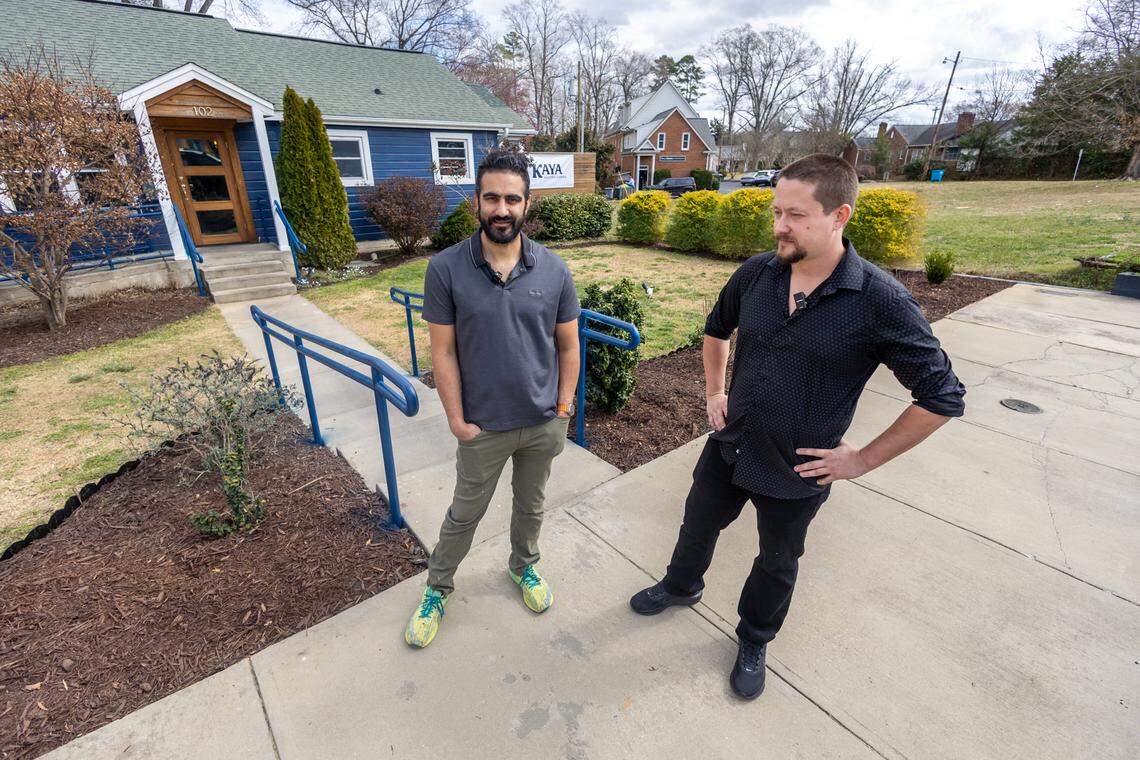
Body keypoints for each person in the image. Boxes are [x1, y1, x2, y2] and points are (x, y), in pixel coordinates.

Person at [629, 154, 965, 699]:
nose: (779, 225)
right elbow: (716, 331)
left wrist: (862, 460)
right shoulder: (757, 274)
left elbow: (942, 396)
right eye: (777, 211)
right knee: (697, 524)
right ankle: (680, 586)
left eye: (796, 214)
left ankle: (755, 636)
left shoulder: (880, 303)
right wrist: (716, 391)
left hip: (798, 465)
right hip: (731, 444)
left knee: (777, 561)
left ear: (840, 216)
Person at [405, 146, 581, 648]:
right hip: (483, 427)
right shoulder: (445, 269)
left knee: (531, 505)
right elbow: (442, 354)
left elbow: (568, 345)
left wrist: (564, 408)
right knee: (465, 514)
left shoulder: (554, 270)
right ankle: (438, 588)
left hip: (542, 420)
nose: (501, 209)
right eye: (491, 199)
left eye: (512, 199)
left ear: (527, 204)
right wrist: (457, 421)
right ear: (476, 202)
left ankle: (523, 568)